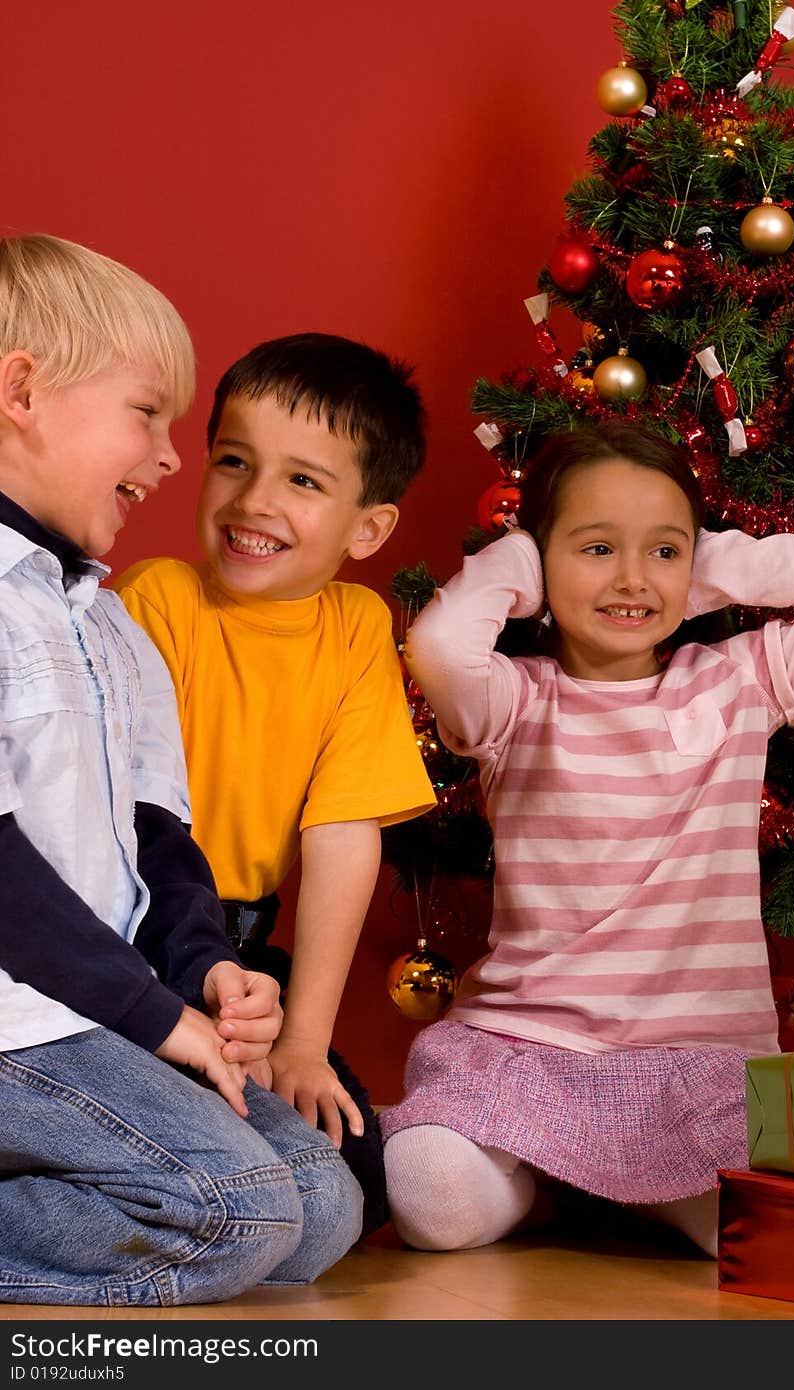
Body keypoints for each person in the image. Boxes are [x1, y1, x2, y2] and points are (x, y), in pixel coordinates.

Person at [380, 418, 794, 1258]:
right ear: (542, 563)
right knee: (429, 1193)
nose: (633, 579)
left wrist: (722, 563)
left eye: (663, 552)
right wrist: (517, 562)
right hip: (529, 1051)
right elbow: (437, 643)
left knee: (767, 1238)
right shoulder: (513, 703)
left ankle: (625, 1199)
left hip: (701, 1066)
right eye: (597, 549)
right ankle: (545, 1189)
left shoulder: (738, 680)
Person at [0, 234, 363, 1306]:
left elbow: (161, 845)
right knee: (235, 1212)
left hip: (95, 1012)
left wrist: (203, 971)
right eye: (146, 412)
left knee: (322, 1215)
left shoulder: (113, 627)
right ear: (22, 390)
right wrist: (154, 1018)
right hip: (22, 1015)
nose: (168, 457)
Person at [114, 333, 436, 1237]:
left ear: (368, 528)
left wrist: (301, 1040)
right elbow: (124, 821)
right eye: (234, 462)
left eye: (303, 481)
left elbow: (341, 833)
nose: (253, 500)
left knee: (363, 1183)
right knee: (232, 1173)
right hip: (141, 935)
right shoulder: (157, 599)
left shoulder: (355, 626)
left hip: (247, 958)